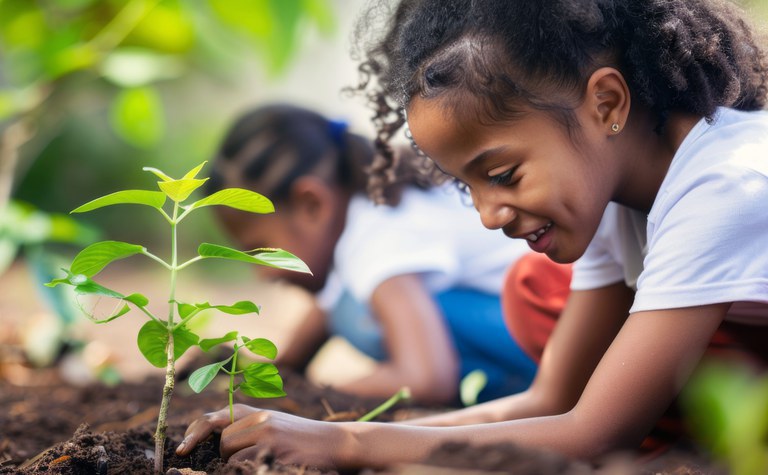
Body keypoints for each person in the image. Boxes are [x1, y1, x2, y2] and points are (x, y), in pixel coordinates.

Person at [177, 1, 768, 470]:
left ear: (606, 103)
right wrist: (332, 433)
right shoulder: (613, 200)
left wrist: (349, 447)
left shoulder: (722, 184)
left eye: (503, 175)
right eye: (468, 188)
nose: (488, 215)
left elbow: (594, 428)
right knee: (540, 289)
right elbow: (553, 400)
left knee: (537, 288)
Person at [199, 103, 569, 407]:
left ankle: (523, 397)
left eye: (259, 249)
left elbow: (425, 378)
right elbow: (323, 312)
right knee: (348, 304)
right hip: (551, 326)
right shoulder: (365, 216)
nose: (263, 273)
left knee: (357, 314)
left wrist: (310, 398)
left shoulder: (375, 235)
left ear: (312, 204)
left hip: (565, 344)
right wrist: (275, 371)